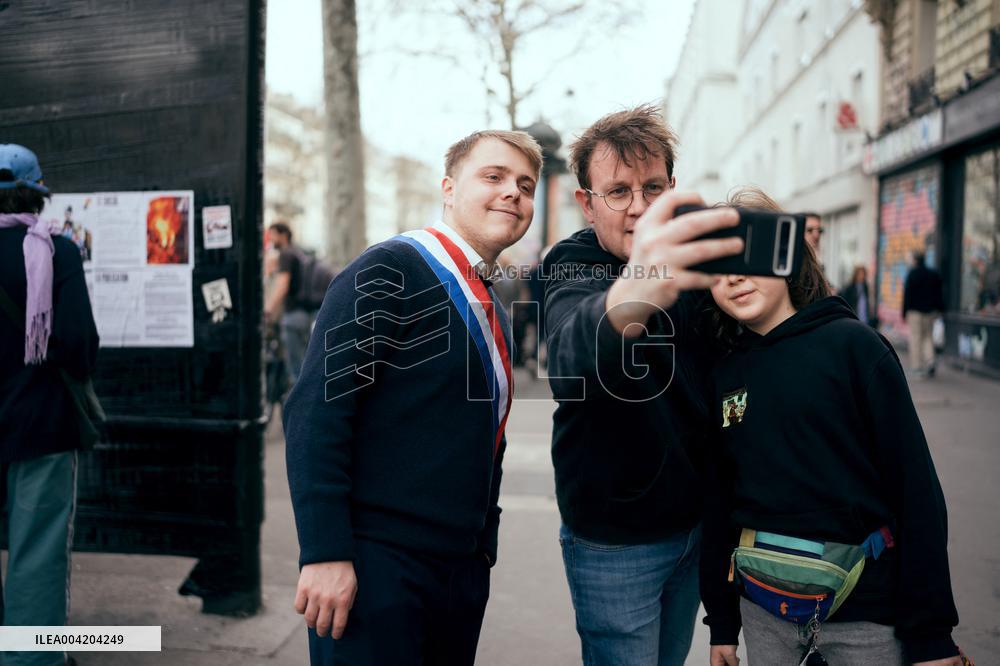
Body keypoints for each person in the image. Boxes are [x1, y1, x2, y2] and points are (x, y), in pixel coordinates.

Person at [284, 129, 543, 665]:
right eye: (493, 177)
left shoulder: (487, 293)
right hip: (377, 568)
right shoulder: (390, 269)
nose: (513, 193)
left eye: (525, 184)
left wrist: (481, 548)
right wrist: (325, 552)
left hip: (457, 571)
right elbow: (316, 413)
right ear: (448, 188)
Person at [700, 188, 962, 666]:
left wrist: (930, 636)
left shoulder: (855, 348)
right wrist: (722, 622)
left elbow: (916, 491)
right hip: (763, 613)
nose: (734, 276)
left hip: (866, 619)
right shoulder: (724, 372)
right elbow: (719, 501)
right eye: (717, 266)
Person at [543, 105, 743, 666]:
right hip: (615, 542)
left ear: (672, 190)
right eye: (618, 191)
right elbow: (568, 358)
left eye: (653, 187)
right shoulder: (571, 265)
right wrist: (645, 281)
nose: (638, 208)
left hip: (697, 529)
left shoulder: (696, 267)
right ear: (586, 202)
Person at [0, 144, 99, 666]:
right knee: (37, 551)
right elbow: (78, 345)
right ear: (38, 195)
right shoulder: (55, 251)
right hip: (41, 427)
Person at [264, 221, 311, 386]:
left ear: (283, 235)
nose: (271, 239)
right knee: (304, 364)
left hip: (292, 316)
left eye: (273, 235)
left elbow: (282, 286)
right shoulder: (298, 253)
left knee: (296, 369)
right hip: (305, 315)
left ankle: (300, 408)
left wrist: (268, 309)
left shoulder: (286, 254)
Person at [903, 251, 945, 377]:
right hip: (930, 312)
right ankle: (930, 360)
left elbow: (907, 295)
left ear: (915, 260)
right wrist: (939, 309)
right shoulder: (933, 274)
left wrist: (904, 312)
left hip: (915, 312)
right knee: (928, 337)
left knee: (915, 338)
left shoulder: (912, 274)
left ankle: (916, 367)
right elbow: (939, 293)